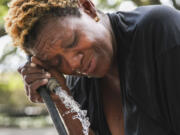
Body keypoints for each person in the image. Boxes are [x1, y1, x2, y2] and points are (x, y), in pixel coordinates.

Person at [4, 0, 180, 134]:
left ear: (87, 8)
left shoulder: (160, 31)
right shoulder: (78, 83)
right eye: (57, 63)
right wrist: (61, 98)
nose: (73, 64)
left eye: (72, 42)